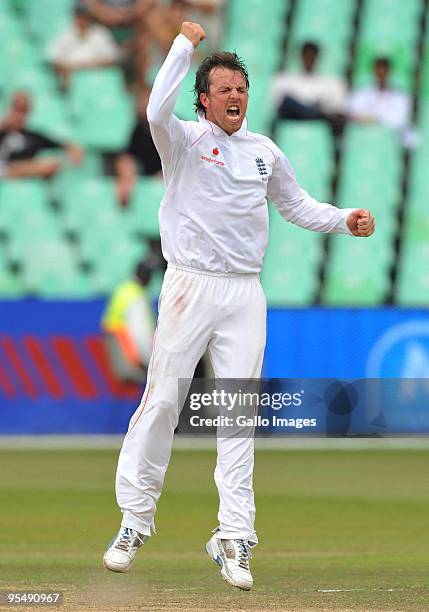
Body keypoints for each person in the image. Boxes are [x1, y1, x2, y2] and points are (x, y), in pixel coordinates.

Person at [102, 22, 375, 591]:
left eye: (241, 89)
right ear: (204, 99)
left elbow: (297, 206)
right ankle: (134, 520)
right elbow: (155, 111)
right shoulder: (183, 140)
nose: (234, 97)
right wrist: (182, 45)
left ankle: (233, 535)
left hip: (244, 292)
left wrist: (343, 220)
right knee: (162, 404)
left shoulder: (263, 153)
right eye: (223, 89)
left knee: (238, 414)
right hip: (189, 285)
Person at [0, 92, 83, 179]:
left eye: (24, 111)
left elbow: (67, 146)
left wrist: (74, 150)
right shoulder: (2, 131)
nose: (19, 115)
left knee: (51, 164)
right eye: (17, 109)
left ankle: (13, 172)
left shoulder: (34, 136)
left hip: (23, 173)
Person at [101, 259, 156, 385]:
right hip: (132, 357)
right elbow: (140, 334)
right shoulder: (137, 296)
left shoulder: (124, 289)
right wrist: (151, 361)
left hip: (120, 354)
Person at [272, 41, 347, 131]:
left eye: (312, 57)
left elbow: (338, 110)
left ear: (317, 57)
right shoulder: (285, 79)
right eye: (306, 56)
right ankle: (314, 112)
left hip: (319, 123)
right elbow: (278, 107)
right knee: (287, 101)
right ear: (301, 56)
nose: (309, 59)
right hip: (295, 119)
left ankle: (313, 112)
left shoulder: (331, 82)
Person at [47, 4, 121, 88]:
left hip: (97, 76)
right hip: (72, 78)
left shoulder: (100, 33)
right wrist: (68, 67)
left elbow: (112, 58)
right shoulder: (64, 34)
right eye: (79, 16)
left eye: (84, 16)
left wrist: (84, 66)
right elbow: (52, 59)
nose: (81, 20)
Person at [115, 86, 162, 207]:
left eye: (147, 99)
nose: (142, 104)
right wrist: (127, 178)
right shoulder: (138, 129)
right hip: (147, 181)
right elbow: (127, 158)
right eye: (139, 100)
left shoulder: (174, 126)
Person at [348, 57, 412, 140]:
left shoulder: (401, 97)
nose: (381, 74)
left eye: (384, 71)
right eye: (378, 71)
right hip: (365, 138)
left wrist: (375, 118)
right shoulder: (360, 94)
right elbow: (354, 115)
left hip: (391, 140)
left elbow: (400, 120)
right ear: (373, 72)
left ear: (389, 72)